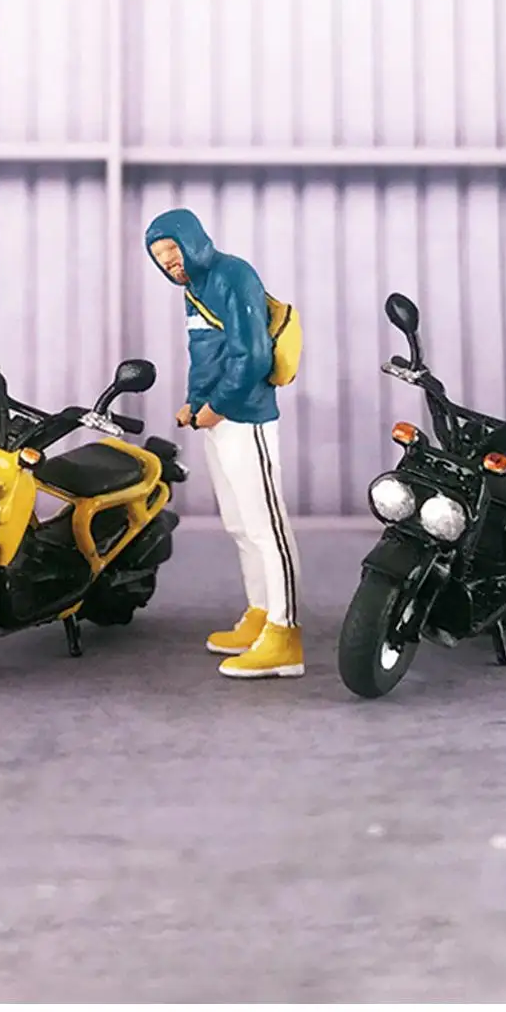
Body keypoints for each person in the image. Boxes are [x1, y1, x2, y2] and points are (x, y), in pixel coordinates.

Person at [144, 208, 303, 680]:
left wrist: (218, 405)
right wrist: (195, 403)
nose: (168, 260)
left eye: (172, 248)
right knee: (240, 524)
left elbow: (252, 355)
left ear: (193, 240)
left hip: (246, 417)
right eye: (159, 255)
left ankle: (285, 635)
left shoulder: (233, 275)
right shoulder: (194, 288)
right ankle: (261, 613)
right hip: (217, 418)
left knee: (267, 527)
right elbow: (207, 354)